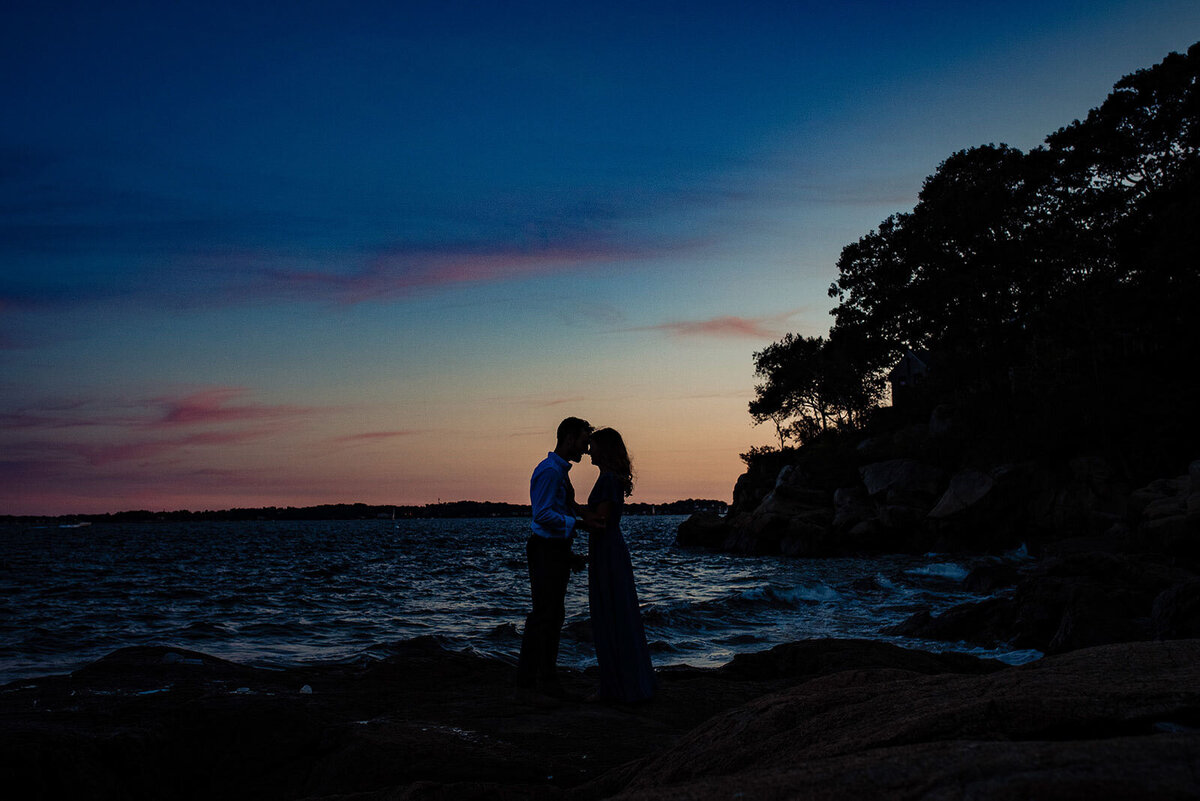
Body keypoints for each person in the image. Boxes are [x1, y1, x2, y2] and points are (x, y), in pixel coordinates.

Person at [516, 416, 601, 698]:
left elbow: (560, 506)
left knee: (552, 615)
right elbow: (541, 514)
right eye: (583, 441)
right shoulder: (550, 471)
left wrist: (570, 549)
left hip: (554, 549)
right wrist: (577, 524)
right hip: (545, 549)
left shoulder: (558, 470)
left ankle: (539, 678)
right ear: (568, 439)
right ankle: (533, 681)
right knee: (545, 616)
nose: (586, 448)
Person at [585, 427, 655, 703]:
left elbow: (600, 522)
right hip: (610, 548)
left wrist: (570, 509)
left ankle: (615, 687)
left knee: (610, 613)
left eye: (592, 446)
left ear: (604, 449)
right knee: (617, 612)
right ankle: (622, 681)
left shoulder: (607, 481)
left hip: (607, 551)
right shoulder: (610, 479)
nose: (589, 451)